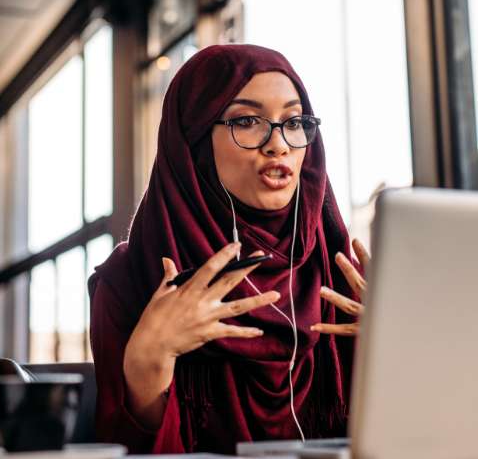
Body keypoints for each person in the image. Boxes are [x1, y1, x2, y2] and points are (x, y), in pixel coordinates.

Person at [88, 44, 369, 455]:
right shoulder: (131, 280)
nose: (279, 145)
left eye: (294, 121)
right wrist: (149, 361)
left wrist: (397, 353)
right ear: (194, 142)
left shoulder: (339, 272)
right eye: (248, 120)